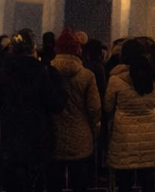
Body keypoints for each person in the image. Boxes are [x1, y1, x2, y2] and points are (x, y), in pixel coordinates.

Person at [0, 29, 66, 192]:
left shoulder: (3, 70)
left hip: (9, 137)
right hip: (37, 137)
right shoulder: (40, 71)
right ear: (33, 48)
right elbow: (55, 104)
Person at [105, 38, 155, 192]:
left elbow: (108, 106)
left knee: (124, 181)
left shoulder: (115, 79)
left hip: (123, 134)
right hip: (149, 132)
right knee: (148, 180)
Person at [48, 28, 102, 192]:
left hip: (53, 134)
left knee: (54, 182)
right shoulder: (87, 75)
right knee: (79, 181)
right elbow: (94, 108)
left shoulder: (47, 72)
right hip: (80, 135)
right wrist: (95, 128)